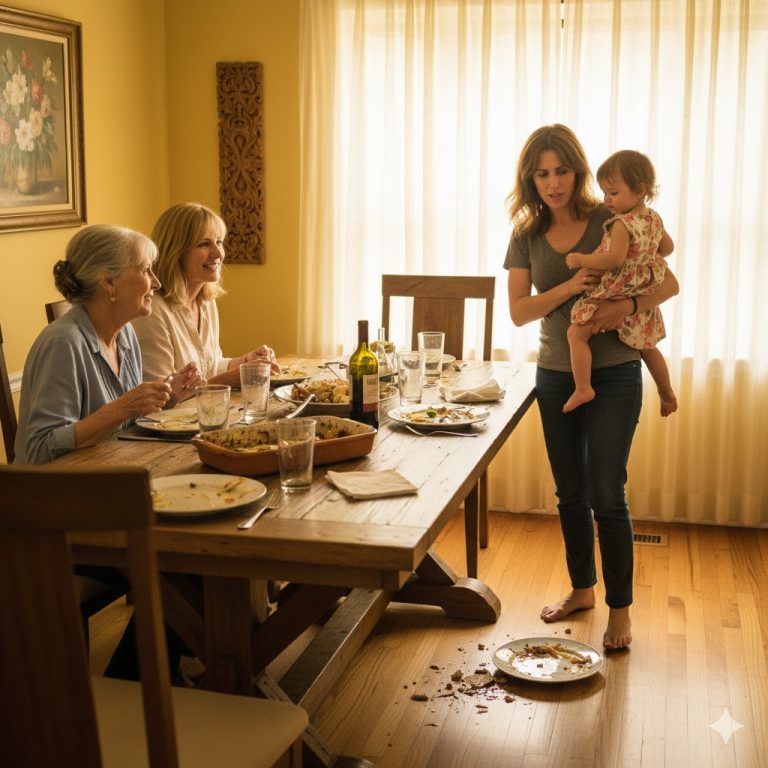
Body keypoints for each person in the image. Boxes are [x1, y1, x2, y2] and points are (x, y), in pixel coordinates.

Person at [503, 125, 679, 649]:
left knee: (607, 492)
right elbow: (517, 313)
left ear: (578, 171)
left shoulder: (612, 215)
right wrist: (568, 286)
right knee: (570, 493)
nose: (553, 183)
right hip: (556, 374)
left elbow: (668, 283)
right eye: (542, 173)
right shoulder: (525, 233)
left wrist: (619, 309)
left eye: (562, 171)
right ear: (530, 178)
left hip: (617, 371)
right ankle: (582, 589)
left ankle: (619, 611)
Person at [14, 225, 202, 465]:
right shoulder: (62, 343)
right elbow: (39, 450)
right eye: (146, 270)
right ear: (109, 282)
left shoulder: (125, 334)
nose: (155, 282)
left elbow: (125, 428)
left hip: (113, 473)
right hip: (58, 494)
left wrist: (169, 395)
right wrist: (122, 408)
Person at [563, 150, 677, 416]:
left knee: (576, 333)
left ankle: (583, 387)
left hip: (615, 290)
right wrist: (646, 256)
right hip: (641, 290)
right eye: (604, 192)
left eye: (613, 193)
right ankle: (666, 390)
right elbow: (668, 248)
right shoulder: (653, 218)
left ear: (639, 190)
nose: (606, 200)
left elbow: (613, 259)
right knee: (647, 346)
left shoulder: (621, 224)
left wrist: (581, 259)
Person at [132, 202, 279, 392]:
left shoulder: (206, 301)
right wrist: (227, 381)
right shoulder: (152, 312)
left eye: (219, 242)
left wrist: (244, 363)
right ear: (175, 252)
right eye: (204, 244)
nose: (218, 253)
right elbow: (160, 398)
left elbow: (209, 366)